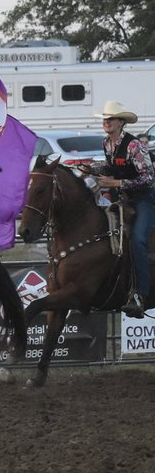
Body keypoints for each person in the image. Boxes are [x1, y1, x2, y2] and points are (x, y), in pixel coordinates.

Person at [83, 101, 155, 318]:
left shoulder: (134, 145)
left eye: (111, 119)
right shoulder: (107, 143)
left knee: (138, 239)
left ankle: (140, 293)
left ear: (121, 122)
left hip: (144, 200)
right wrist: (90, 167)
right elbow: (111, 166)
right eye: (105, 119)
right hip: (123, 200)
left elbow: (148, 177)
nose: (106, 122)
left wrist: (117, 184)